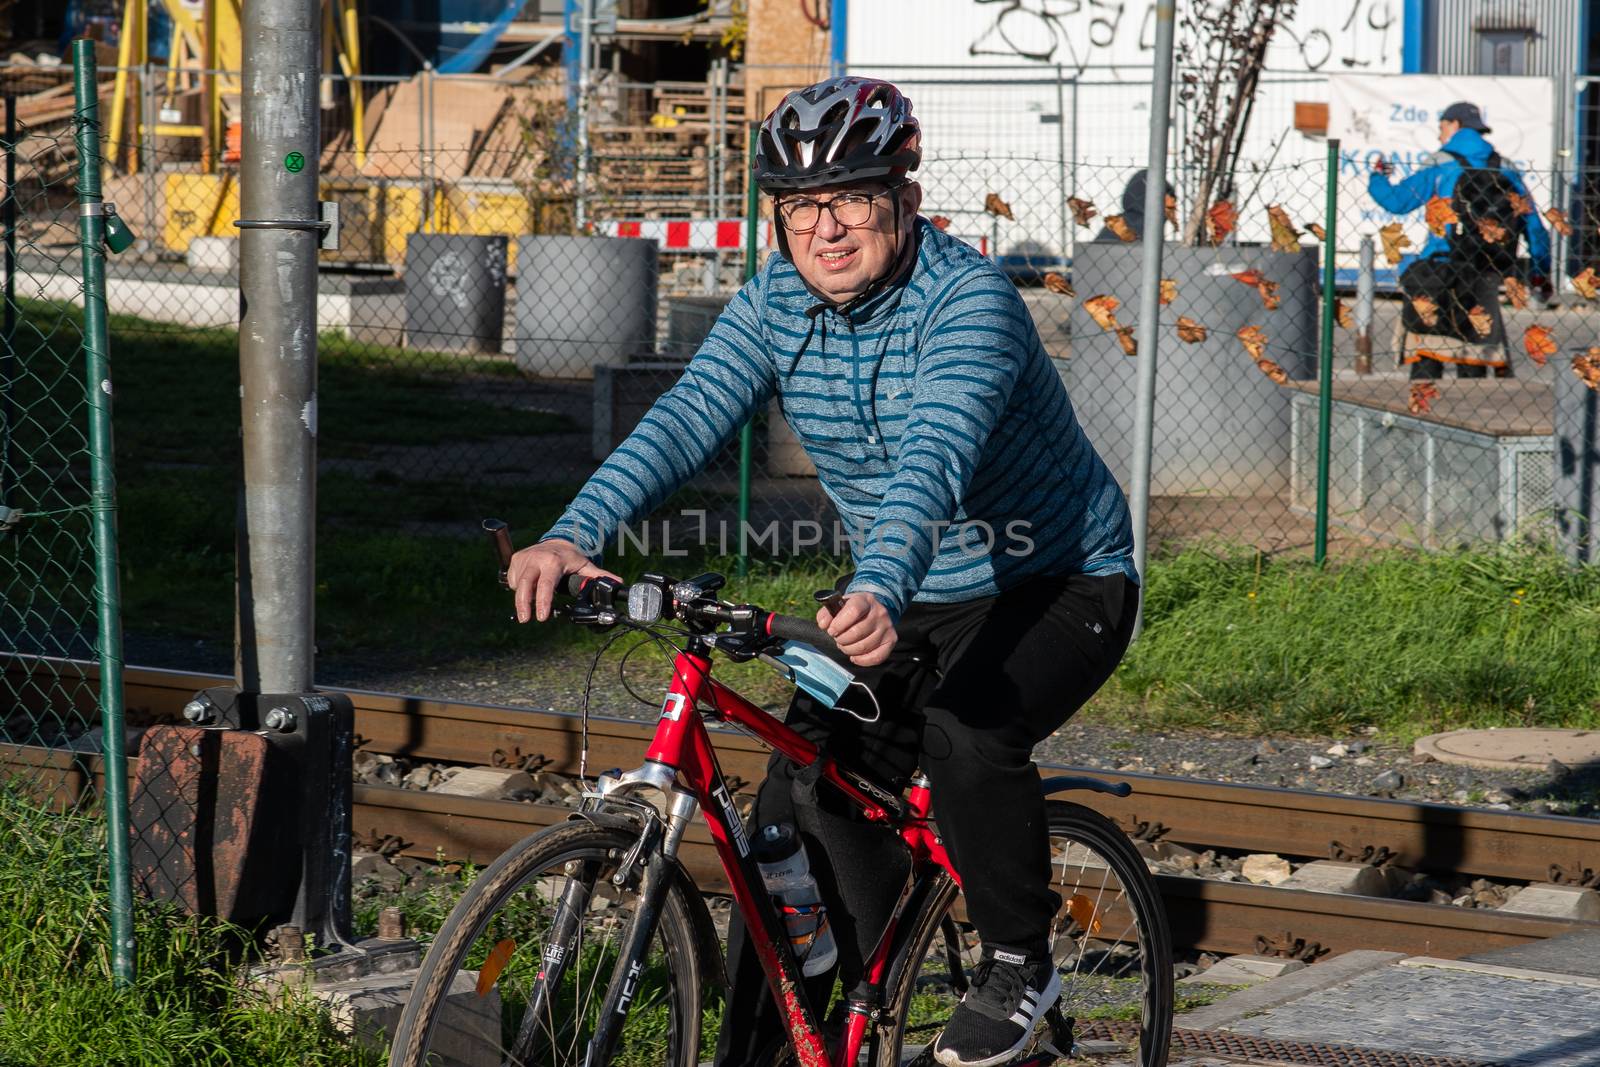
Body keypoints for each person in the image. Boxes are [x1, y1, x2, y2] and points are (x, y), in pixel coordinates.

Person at [504, 76, 1138, 1067]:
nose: (827, 227)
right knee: (790, 811)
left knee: (967, 731)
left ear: (905, 201)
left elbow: (935, 454)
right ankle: (808, 1027)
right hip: (906, 591)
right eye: (802, 206)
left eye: (852, 197)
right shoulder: (773, 303)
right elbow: (686, 414)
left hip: (1054, 578)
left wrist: (879, 582)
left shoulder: (967, 302)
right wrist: (571, 531)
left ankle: (1019, 961)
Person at [1368, 100, 1552, 380]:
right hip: (1485, 273)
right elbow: (1535, 228)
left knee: (1428, 353)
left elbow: (1397, 202)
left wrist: (1376, 178)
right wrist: (1539, 273)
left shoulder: (1440, 163)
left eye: (1441, 127)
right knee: (1475, 358)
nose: (1439, 134)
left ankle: (1423, 415)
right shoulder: (1505, 168)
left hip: (1440, 270)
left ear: (1454, 125)